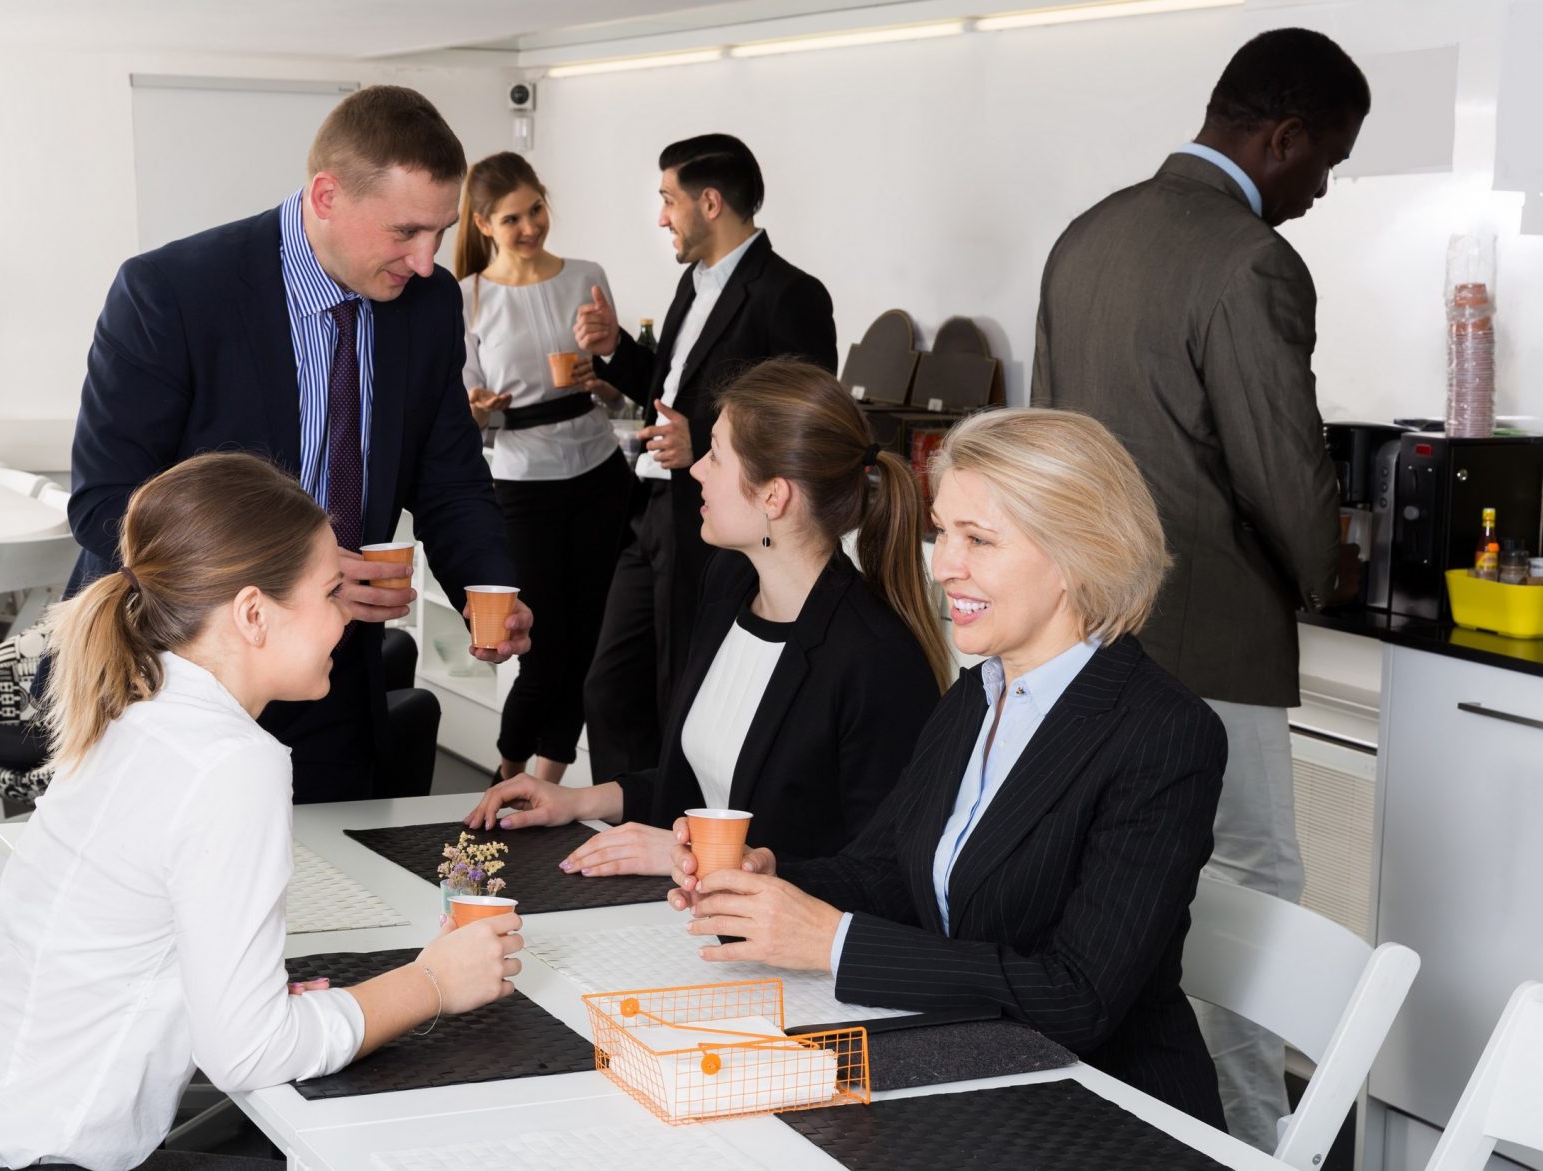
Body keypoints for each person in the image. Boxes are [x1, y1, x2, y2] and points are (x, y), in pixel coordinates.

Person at [0, 453, 522, 1171]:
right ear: (253, 613)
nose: (347, 616)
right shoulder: (230, 760)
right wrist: (432, 981)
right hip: (27, 1156)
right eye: (332, 592)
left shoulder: (133, 704)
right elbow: (248, 1050)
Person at [667, 409, 1228, 1129]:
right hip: (973, 1077)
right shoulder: (979, 690)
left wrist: (832, 941)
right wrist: (772, 876)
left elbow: (1077, 996)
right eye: (944, 531)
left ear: (1076, 557)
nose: (943, 563)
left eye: (978, 540)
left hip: (1106, 1111)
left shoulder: (1164, 733)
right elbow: (891, 871)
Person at [1028, 28, 1369, 1147]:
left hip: (1081, 637)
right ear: (1281, 136)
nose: (1320, 189)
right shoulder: (1251, 258)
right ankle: (1250, 1140)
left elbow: (1046, 444)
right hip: (1210, 641)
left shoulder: (1084, 236)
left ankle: (1115, 1122)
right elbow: (1282, 467)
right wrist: (1327, 569)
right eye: (1324, 159)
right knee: (1247, 891)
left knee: (1102, 892)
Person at [67, 85, 529, 804]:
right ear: (325, 196)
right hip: (174, 676)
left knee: (331, 901)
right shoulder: (172, 291)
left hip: (334, 676)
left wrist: (484, 586)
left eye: (440, 231)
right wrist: (292, 574)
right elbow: (106, 503)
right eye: (406, 231)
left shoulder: (429, 304)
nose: (428, 261)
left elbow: (450, 476)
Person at [464, 360, 947, 876]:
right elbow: (697, 786)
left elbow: (884, 878)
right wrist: (579, 800)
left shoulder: (877, 661)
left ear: (773, 495)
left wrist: (701, 862)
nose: (695, 469)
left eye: (715, 455)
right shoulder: (729, 584)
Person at [573, 134, 836, 783]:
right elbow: (675, 395)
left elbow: (804, 423)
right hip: (655, 513)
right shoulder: (693, 283)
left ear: (710, 202)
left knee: (679, 696)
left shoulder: (790, 294)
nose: (662, 216)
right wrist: (617, 354)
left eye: (669, 200)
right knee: (609, 686)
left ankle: (673, 844)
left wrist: (713, 445)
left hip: (721, 528)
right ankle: (626, 829)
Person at [453, 151, 634, 785]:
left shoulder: (586, 275)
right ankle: (507, 773)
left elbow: (620, 388)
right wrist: (478, 411)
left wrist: (602, 377)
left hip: (598, 472)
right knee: (544, 649)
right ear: (483, 225)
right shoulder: (469, 299)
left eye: (536, 210)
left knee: (592, 645)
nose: (529, 227)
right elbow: (465, 416)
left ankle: (549, 785)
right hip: (522, 483)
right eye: (511, 219)